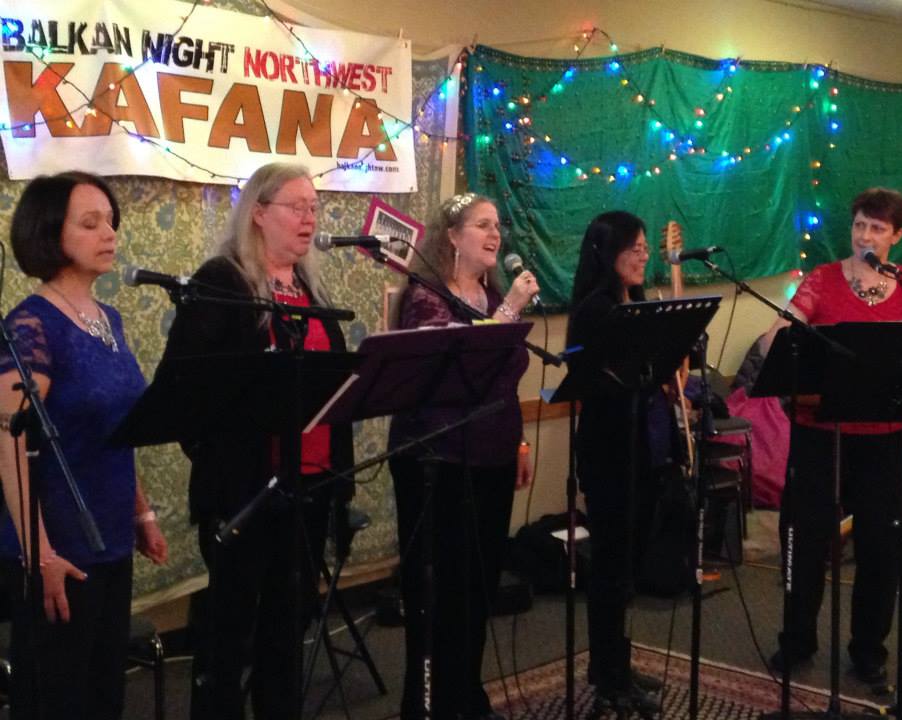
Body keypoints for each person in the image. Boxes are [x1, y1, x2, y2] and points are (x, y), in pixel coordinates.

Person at [157, 162, 354, 719]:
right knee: (230, 634)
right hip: (247, 493)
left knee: (288, 630)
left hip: (310, 485)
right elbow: (187, 390)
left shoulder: (309, 287)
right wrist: (229, 459)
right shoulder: (223, 282)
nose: (309, 218)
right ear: (259, 213)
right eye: (297, 207)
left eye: (314, 207)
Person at [0, 171, 168, 719]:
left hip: (110, 532)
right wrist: (40, 554)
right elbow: (7, 444)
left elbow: (118, 427)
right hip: (57, 542)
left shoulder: (108, 319)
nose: (109, 234)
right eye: (90, 223)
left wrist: (142, 513)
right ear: (51, 233)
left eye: (111, 222)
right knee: (58, 696)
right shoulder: (31, 325)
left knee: (103, 692)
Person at [762, 188, 902, 683]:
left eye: (877, 228)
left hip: (884, 435)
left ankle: (869, 649)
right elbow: (777, 338)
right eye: (859, 225)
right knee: (806, 538)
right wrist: (782, 336)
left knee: (881, 545)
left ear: (897, 235)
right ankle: (796, 640)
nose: (865, 236)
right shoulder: (822, 279)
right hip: (821, 432)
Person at [387, 192, 538, 720]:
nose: (495, 235)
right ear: (451, 237)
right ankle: (427, 704)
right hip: (437, 461)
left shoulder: (490, 293)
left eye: (498, 225)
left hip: (493, 455)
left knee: (479, 585)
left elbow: (502, 380)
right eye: (482, 225)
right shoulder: (427, 298)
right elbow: (460, 365)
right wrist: (510, 309)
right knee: (440, 591)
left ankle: (466, 697)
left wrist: (519, 440)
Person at [566, 211, 669, 716]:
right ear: (607, 254)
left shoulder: (636, 302)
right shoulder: (597, 309)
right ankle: (608, 675)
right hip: (609, 449)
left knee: (628, 566)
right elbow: (596, 378)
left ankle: (616, 664)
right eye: (634, 248)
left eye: (646, 247)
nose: (643, 255)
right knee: (610, 567)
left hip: (641, 446)